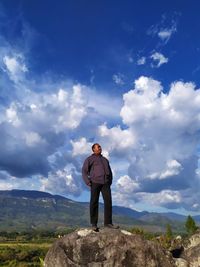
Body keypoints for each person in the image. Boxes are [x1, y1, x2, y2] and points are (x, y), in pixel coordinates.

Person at [82, 143, 119, 232]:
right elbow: (84, 171)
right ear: (93, 150)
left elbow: (110, 172)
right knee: (94, 202)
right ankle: (94, 224)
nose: (99, 148)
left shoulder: (105, 160)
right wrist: (88, 181)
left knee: (108, 202)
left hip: (105, 183)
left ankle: (108, 223)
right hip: (95, 182)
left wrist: (109, 182)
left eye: (100, 147)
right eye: (97, 147)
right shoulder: (89, 159)